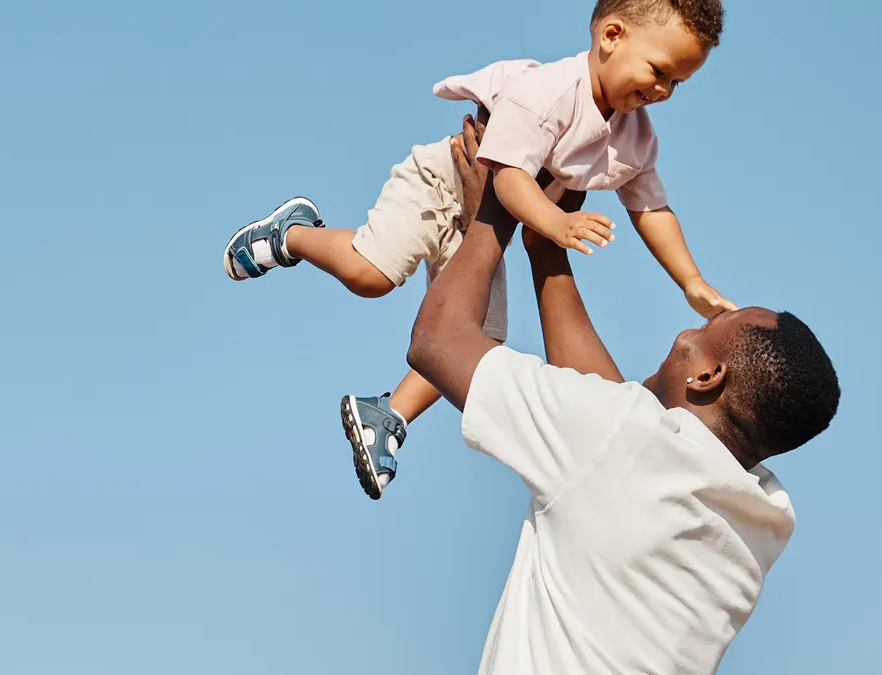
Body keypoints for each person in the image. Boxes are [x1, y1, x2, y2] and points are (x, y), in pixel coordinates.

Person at [409, 120, 839, 675]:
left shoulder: (621, 446)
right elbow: (610, 418)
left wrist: (495, 213)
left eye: (714, 325)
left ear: (707, 376)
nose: (691, 326)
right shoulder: (760, 519)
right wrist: (551, 237)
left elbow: (438, 343)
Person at [220, 0, 737, 500]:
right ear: (612, 36)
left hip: (495, 221)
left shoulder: (634, 138)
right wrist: (556, 222)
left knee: (477, 338)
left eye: (678, 83)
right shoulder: (552, 93)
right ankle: (293, 233)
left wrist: (691, 281)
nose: (664, 90)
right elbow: (508, 180)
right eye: (660, 70)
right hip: (444, 185)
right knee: (370, 276)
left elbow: (652, 209)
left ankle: (388, 416)